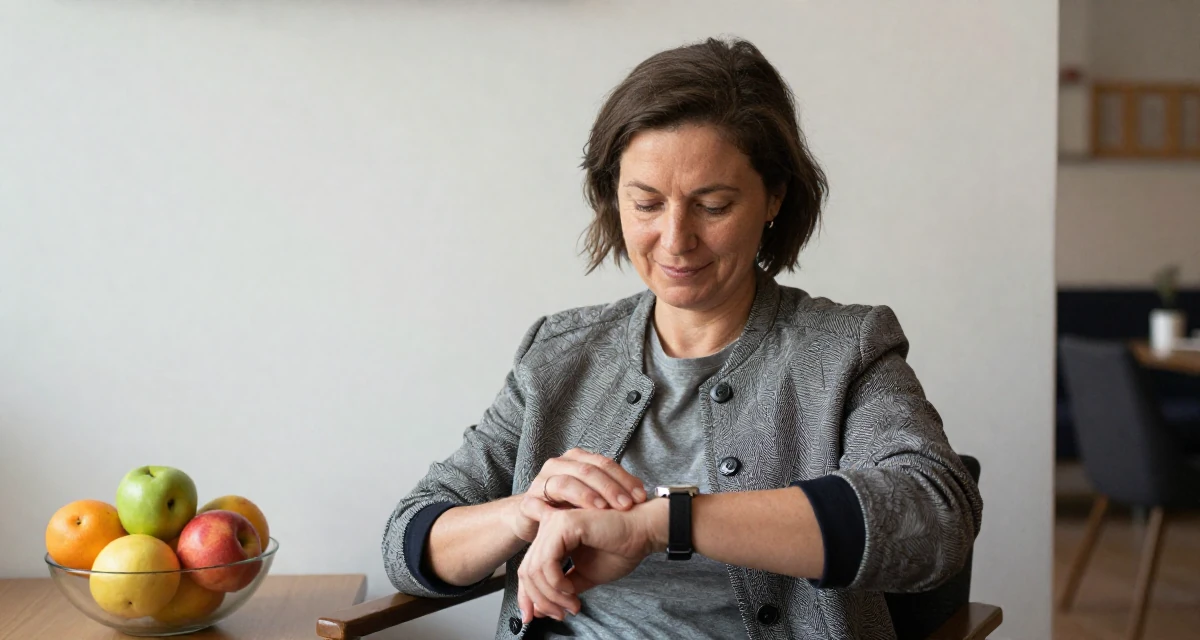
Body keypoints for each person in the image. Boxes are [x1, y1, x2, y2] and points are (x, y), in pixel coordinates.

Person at [383, 36, 983, 640]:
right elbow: (408, 538)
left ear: (773, 197)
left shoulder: (844, 349)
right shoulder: (559, 353)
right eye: (646, 203)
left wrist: (662, 522)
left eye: (713, 206)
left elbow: (932, 519)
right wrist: (527, 512)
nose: (675, 239)